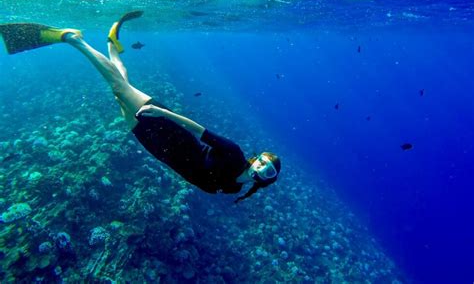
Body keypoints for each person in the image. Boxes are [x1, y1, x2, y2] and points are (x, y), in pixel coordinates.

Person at [0, 12, 281, 203]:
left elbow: (191, 172)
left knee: (120, 87)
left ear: (266, 181)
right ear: (257, 157)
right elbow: (196, 129)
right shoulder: (233, 154)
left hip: (156, 147)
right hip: (167, 128)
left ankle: (113, 44)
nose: (260, 168)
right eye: (263, 162)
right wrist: (161, 112)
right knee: (118, 88)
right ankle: (74, 39)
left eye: (267, 172)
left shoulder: (233, 187)